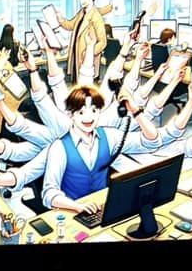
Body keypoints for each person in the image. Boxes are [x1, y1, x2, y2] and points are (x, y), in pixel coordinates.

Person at [40, 84, 129, 212]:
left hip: (104, 209)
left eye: (94, 111)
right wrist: (77, 207)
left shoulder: (108, 136)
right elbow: (49, 194)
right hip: (72, 211)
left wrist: (135, 110)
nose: (88, 118)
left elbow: (146, 143)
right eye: (81, 112)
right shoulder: (59, 147)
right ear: (70, 114)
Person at [56, 0, 112, 84]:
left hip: (88, 61)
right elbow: (70, 25)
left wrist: (88, 53)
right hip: (76, 57)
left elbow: (102, 42)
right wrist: (61, 20)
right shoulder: (82, 13)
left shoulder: (96, 16)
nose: (82, 1)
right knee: (76, 86)